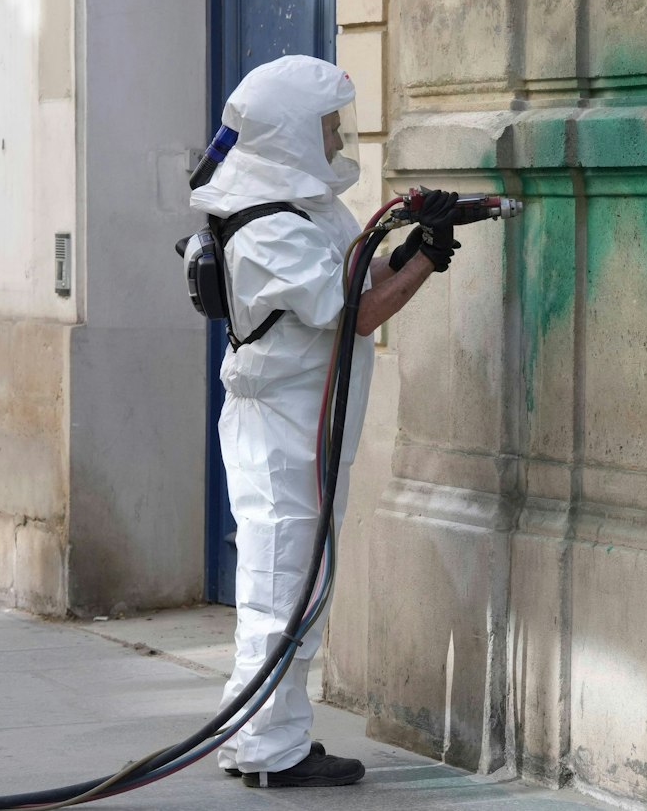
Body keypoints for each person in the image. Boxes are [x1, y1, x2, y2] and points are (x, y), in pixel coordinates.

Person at [189, 56, 461, 788]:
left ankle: (254, 737)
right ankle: (271, 748)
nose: (337, 135)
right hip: (279, 429)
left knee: (288, 588)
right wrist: (427, 262)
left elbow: (350, 272)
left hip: (305, 423)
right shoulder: (264, 225)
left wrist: (407, 245)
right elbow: (357, 311)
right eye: (327, 125)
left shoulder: (299, 202)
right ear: (287, 133)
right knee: (282, 587)